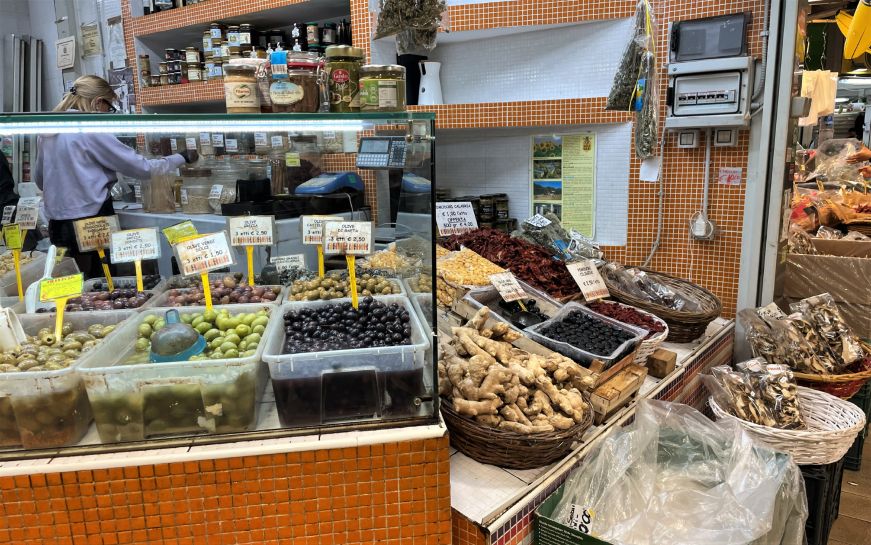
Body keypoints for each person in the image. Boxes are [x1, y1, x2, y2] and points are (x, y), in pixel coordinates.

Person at [32, 75, 197, 277]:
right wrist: (181, 157)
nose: (108, 113)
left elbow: (40, 180)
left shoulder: (49, 128)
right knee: (101, 282)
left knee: (69, 287)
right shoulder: (89, 127)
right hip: (92, 221)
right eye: (109, 107)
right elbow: (142, 169)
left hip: (57, 225)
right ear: (98, 102)